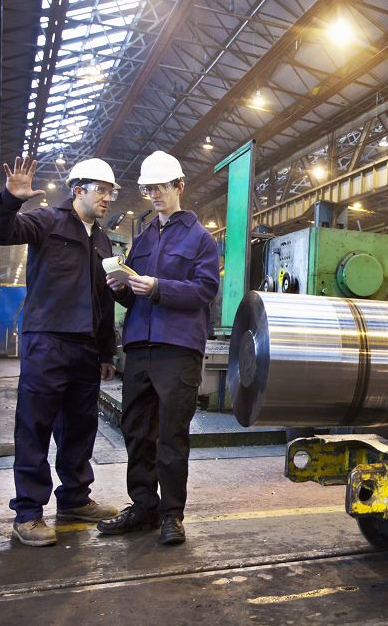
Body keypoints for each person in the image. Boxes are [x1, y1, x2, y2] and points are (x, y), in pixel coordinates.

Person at [0, 156, 121, 546]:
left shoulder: (103, 239)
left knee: (80, 429)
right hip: (46, 341)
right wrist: (11, 199)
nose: (107, 197)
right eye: (101, 189)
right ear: (78, 189)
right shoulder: (47, 221)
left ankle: (75, 499)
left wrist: (107, 351)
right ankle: (28, 513)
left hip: (86, 348)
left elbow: (105, 298)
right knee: (35, 426)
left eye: (110, 191)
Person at [97, 151, 219, 546]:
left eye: (160, 188)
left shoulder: (200, 239)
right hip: (139, 346)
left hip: (178, 349)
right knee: (136, 431)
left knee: (171, 435)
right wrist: (122, 288)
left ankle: (172, 514)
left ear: (179, 187)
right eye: (149, 189)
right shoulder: (145, 237)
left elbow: (204, 291)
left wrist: (159, 287)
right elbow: (136, 297)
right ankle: (144, 506)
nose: (154, 195)